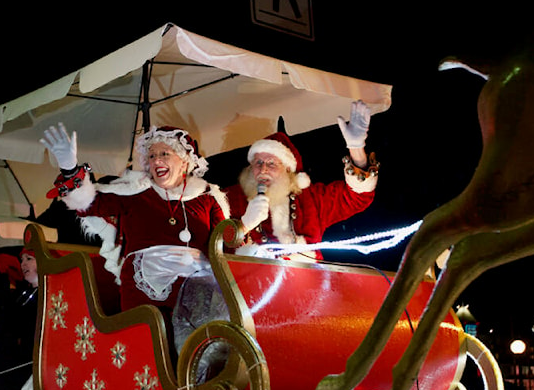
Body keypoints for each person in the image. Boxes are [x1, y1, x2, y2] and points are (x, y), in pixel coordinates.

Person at [40, 123, 229, 313]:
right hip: (144, 291)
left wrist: (250, 223)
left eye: (165, 154)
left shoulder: (207, 197)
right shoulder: (136, 192)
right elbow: (89, 204)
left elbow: (227, 244)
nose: (156, 161)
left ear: (185, 161)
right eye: (152, 156)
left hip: (199, 288)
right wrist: (69, 168)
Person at [225, 100, 379, 261]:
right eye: (258, 163)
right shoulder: (231, 199)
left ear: (288, 169)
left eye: (271, 163)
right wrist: (243, 225)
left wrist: (356, 149)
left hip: (310, 281)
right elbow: (210, 242)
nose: (263, 169)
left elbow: (357, 198)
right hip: (250, 283)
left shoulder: (312, 198)